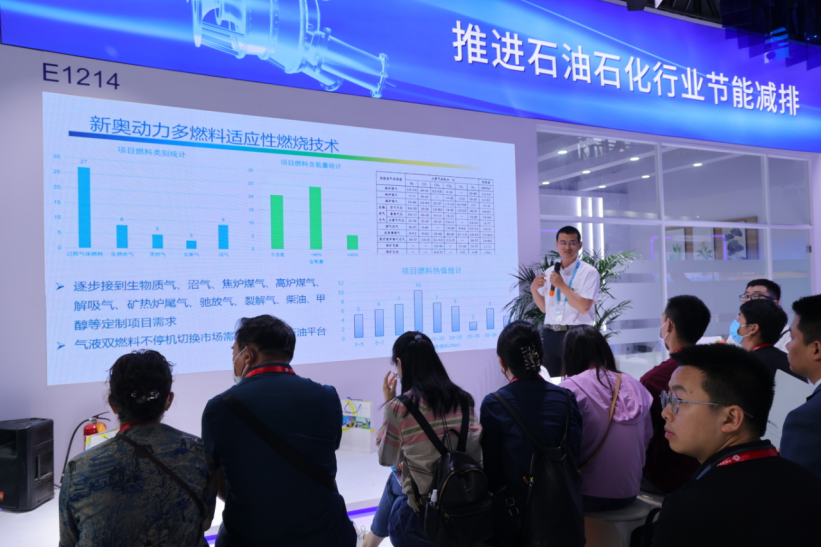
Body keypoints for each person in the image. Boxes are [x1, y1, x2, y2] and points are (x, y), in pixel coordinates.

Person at [201, 315, 355, 547]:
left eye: (234, 352)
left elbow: (220, 485)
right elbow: (324, 460)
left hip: (250, 538)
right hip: (326, 535)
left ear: (248, 354)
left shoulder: (219, 408)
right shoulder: (327, 397)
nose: (233, 359)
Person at [651, 344, 821, 547]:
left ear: (731, 418)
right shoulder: (808, 482)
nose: (666, 413)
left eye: (679, 400)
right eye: (668, 398)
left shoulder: (689, 509)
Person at [59, 350, 217, 547]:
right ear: (168, 401)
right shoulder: (197, 452)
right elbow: (205, 522)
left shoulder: (80, 468)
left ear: (112, 404)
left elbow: (68, 542)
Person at [368, 332, 482, 547]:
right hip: (468, 508)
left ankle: (369, 542)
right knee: (398, 481)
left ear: (400, 363)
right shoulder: (464, 399)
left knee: (396, 484)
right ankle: (369, 542)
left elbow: (386, 458)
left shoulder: (399, 407)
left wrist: (389, 403)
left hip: (427, 520)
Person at [480, 321, 583, 545]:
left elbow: (492, 473)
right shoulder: (566, 398)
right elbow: (573, 455)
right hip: (564, 513)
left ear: (502, 362)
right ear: (542, 355)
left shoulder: (494, 404)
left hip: (517, 518)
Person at [559, 325, 653, 512]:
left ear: (570, 355)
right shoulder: (636, 385)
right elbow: (646, 439)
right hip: (630, 492)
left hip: (587, 494)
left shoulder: (569, 389)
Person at [640, 296, 710, 495]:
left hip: (664, 477)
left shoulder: (653, 379)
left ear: (668, 324)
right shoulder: (716, 370)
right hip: (706, 472)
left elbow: (642, 434)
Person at [531, 226, 601, 377]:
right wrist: (534, 290)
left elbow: (584, 307)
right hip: (551, 334)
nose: (567, 247)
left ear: (580, 245)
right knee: (551, 380)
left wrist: (562, 285)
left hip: (576, 335)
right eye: (563, 242)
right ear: (557, 245)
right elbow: (544, 309)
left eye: (572, 243)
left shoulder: (589, 272)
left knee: (577, 380)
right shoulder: (550, 272)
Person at [781, 295, 821, 480]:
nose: (787, 345)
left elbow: (796, 490)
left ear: (816, 349)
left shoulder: (807, 419)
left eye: (792, 337)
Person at [733, 298, 807, 382]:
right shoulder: (790, 361)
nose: (735, 323)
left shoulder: (748, 364)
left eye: (739, 319)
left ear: (753, 328)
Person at [730, 279, 790, 351]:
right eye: (746, 296)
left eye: (756, 296)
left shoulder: (788, 334)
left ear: (775, 303)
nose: (748, 300)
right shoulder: (738, 332)